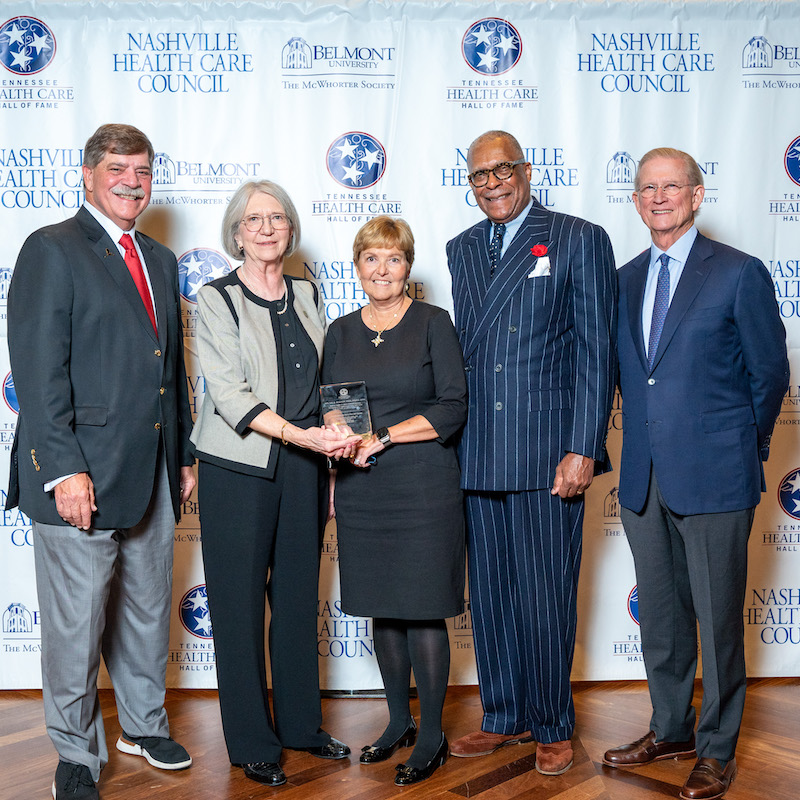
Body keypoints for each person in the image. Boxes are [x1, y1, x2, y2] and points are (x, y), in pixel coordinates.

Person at [6, 123, 196, 800]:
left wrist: (184, 452)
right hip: (78, 474)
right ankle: (75, 753)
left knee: (146, 611)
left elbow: (166, 367)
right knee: (76, 625)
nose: (131, 181)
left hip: (152, 470)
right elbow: (37, 369)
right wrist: (63, 469)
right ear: (87, 174)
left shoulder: (160, 258)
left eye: (142, 170)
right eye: (117, 168)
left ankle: (142, 724)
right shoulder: (51, 248)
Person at [603, 148, 788, 800]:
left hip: (716, 476)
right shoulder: (621, 280)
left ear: (697, 193)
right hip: (644, 480)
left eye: (672, 186)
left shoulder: (738, 273)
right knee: (662, 618)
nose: (660, 197)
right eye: (648, 187)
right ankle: (670, 727)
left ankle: (715, 749)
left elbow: (770, 376)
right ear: (635, 200)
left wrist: (739, 446)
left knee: (716, 622)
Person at [447, 130, 617, 775]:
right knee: (488, 592)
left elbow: (596, 353)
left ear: (525, 168)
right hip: (479, 450)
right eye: (478, 175)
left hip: (548, 451)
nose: (491, 183)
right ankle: (503, 715)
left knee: (545, 591)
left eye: (502, 170)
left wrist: (583, 447)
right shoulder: (461, 248)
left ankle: (550, 721)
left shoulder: (578, 236)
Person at [190, 179, 359, 787]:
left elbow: (327, 384)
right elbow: (229, 392)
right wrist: (301, 436)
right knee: (237, 606)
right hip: (239, 467)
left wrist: (333, 445)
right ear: (236, 232)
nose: (266, 228)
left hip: (307, 467)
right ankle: (252, 741)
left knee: (294, 597)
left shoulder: (308, 293)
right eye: (254, 219)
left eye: (277, 218)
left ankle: (300, 726)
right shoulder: (217, 298)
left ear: (290, 230)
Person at [321, 216, 467, 786]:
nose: (382, 270)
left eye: (394, 259)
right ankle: (399, 720)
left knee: (423, 605)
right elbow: (332, 403)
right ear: (357, 267)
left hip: (423, 484)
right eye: (371, 259)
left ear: (408, 266)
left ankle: (432, 733)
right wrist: (339, 431)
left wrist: (382, 436)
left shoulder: (434, 323)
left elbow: (454, 405)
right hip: (362, 486)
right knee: (385, 605)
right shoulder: (340, 330)